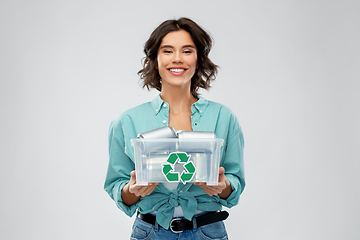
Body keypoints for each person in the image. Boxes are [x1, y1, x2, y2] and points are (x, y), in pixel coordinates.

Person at [104, 17, 245, 239]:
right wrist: (131, 190)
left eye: (187, 51)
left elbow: (235, 183)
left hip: (207, 231)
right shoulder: (126, 122)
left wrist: (223, 185)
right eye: (168, 51)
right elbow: (117, 185)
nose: (177, 59)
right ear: (155, 59)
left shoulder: (223, 117)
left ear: (199, 59)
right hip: (150, 232)